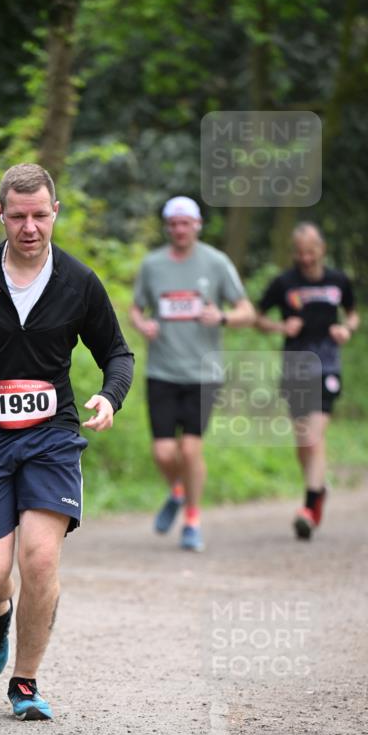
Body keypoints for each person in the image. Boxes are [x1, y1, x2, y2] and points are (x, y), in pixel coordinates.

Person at [0, 163, 133, 721]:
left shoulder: (79, 282)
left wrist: (110, 395)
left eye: (40, 215)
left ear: (54, 212)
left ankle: (26, 683)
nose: (30, 227)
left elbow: (117, 354)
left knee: (39, 560)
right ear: (1, 215)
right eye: (18, 216)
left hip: (51, 436)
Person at [129, 196, 255, 552]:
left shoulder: (216, 263)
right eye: (174, 224)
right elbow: (136, 309)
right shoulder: (152, 265)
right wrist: (144, 325)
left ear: (197, 225)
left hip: (204, 372)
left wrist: (225, 317)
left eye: (187, 223)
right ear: (168, 227)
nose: (180, 229)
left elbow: (247, 309)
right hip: (162, 369)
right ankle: (179, 491)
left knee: (190, 448)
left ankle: (193, 521)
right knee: (164, 452)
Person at [256, 222, 359, 539]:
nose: (306, 258)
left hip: (328, 365)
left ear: (322, 249)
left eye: (311, 252)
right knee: (304, 442)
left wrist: (347, 329)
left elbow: (353, 312)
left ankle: (308, 507)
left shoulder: (338, 280)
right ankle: (318, 490)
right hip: (295, 366)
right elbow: (258, 317)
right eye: (300, 253)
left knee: (314, 436)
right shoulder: (284, 282)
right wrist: (280, 328)